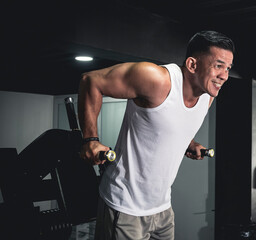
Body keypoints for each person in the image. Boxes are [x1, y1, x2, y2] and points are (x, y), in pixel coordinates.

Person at [78, 30, 235, 240]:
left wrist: (189, 142)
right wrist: (91, 140)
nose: (224, 75)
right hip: (126, 206)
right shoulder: (157, 79)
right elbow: (91, 81)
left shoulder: (207, 96)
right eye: (218, 65)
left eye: (228, 68)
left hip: (162, 209)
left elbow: (172, 121)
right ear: (192, 65)